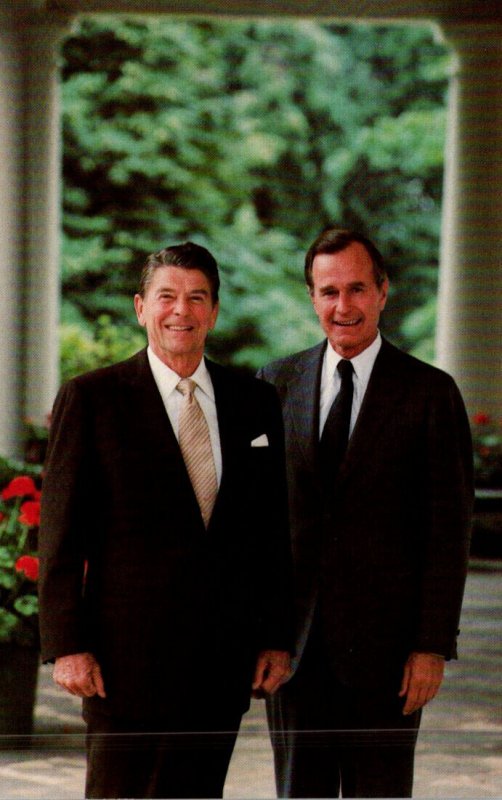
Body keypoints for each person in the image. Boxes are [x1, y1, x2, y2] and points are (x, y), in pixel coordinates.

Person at [39, 242, 293, 799]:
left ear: (214, 312)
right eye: (167, 296)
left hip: (220, 663)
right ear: (140, 307)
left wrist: (277, 637)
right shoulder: (92, 398)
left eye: (197, 298)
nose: (182, 310)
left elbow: (272, 533)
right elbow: (60, 534)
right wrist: (66, 644)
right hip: (122, 664)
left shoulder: (254, 401)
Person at [258, 227, 473, 798]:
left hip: (389, 656)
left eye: (356, 289)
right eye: (329, 292)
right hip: (294, 654)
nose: (343, 306)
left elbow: (448, 533)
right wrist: (263, 635)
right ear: (312, 298)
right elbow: (259, 526)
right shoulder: (273, 383)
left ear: (383, 291)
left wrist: (431, 646)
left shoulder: (430, 393)